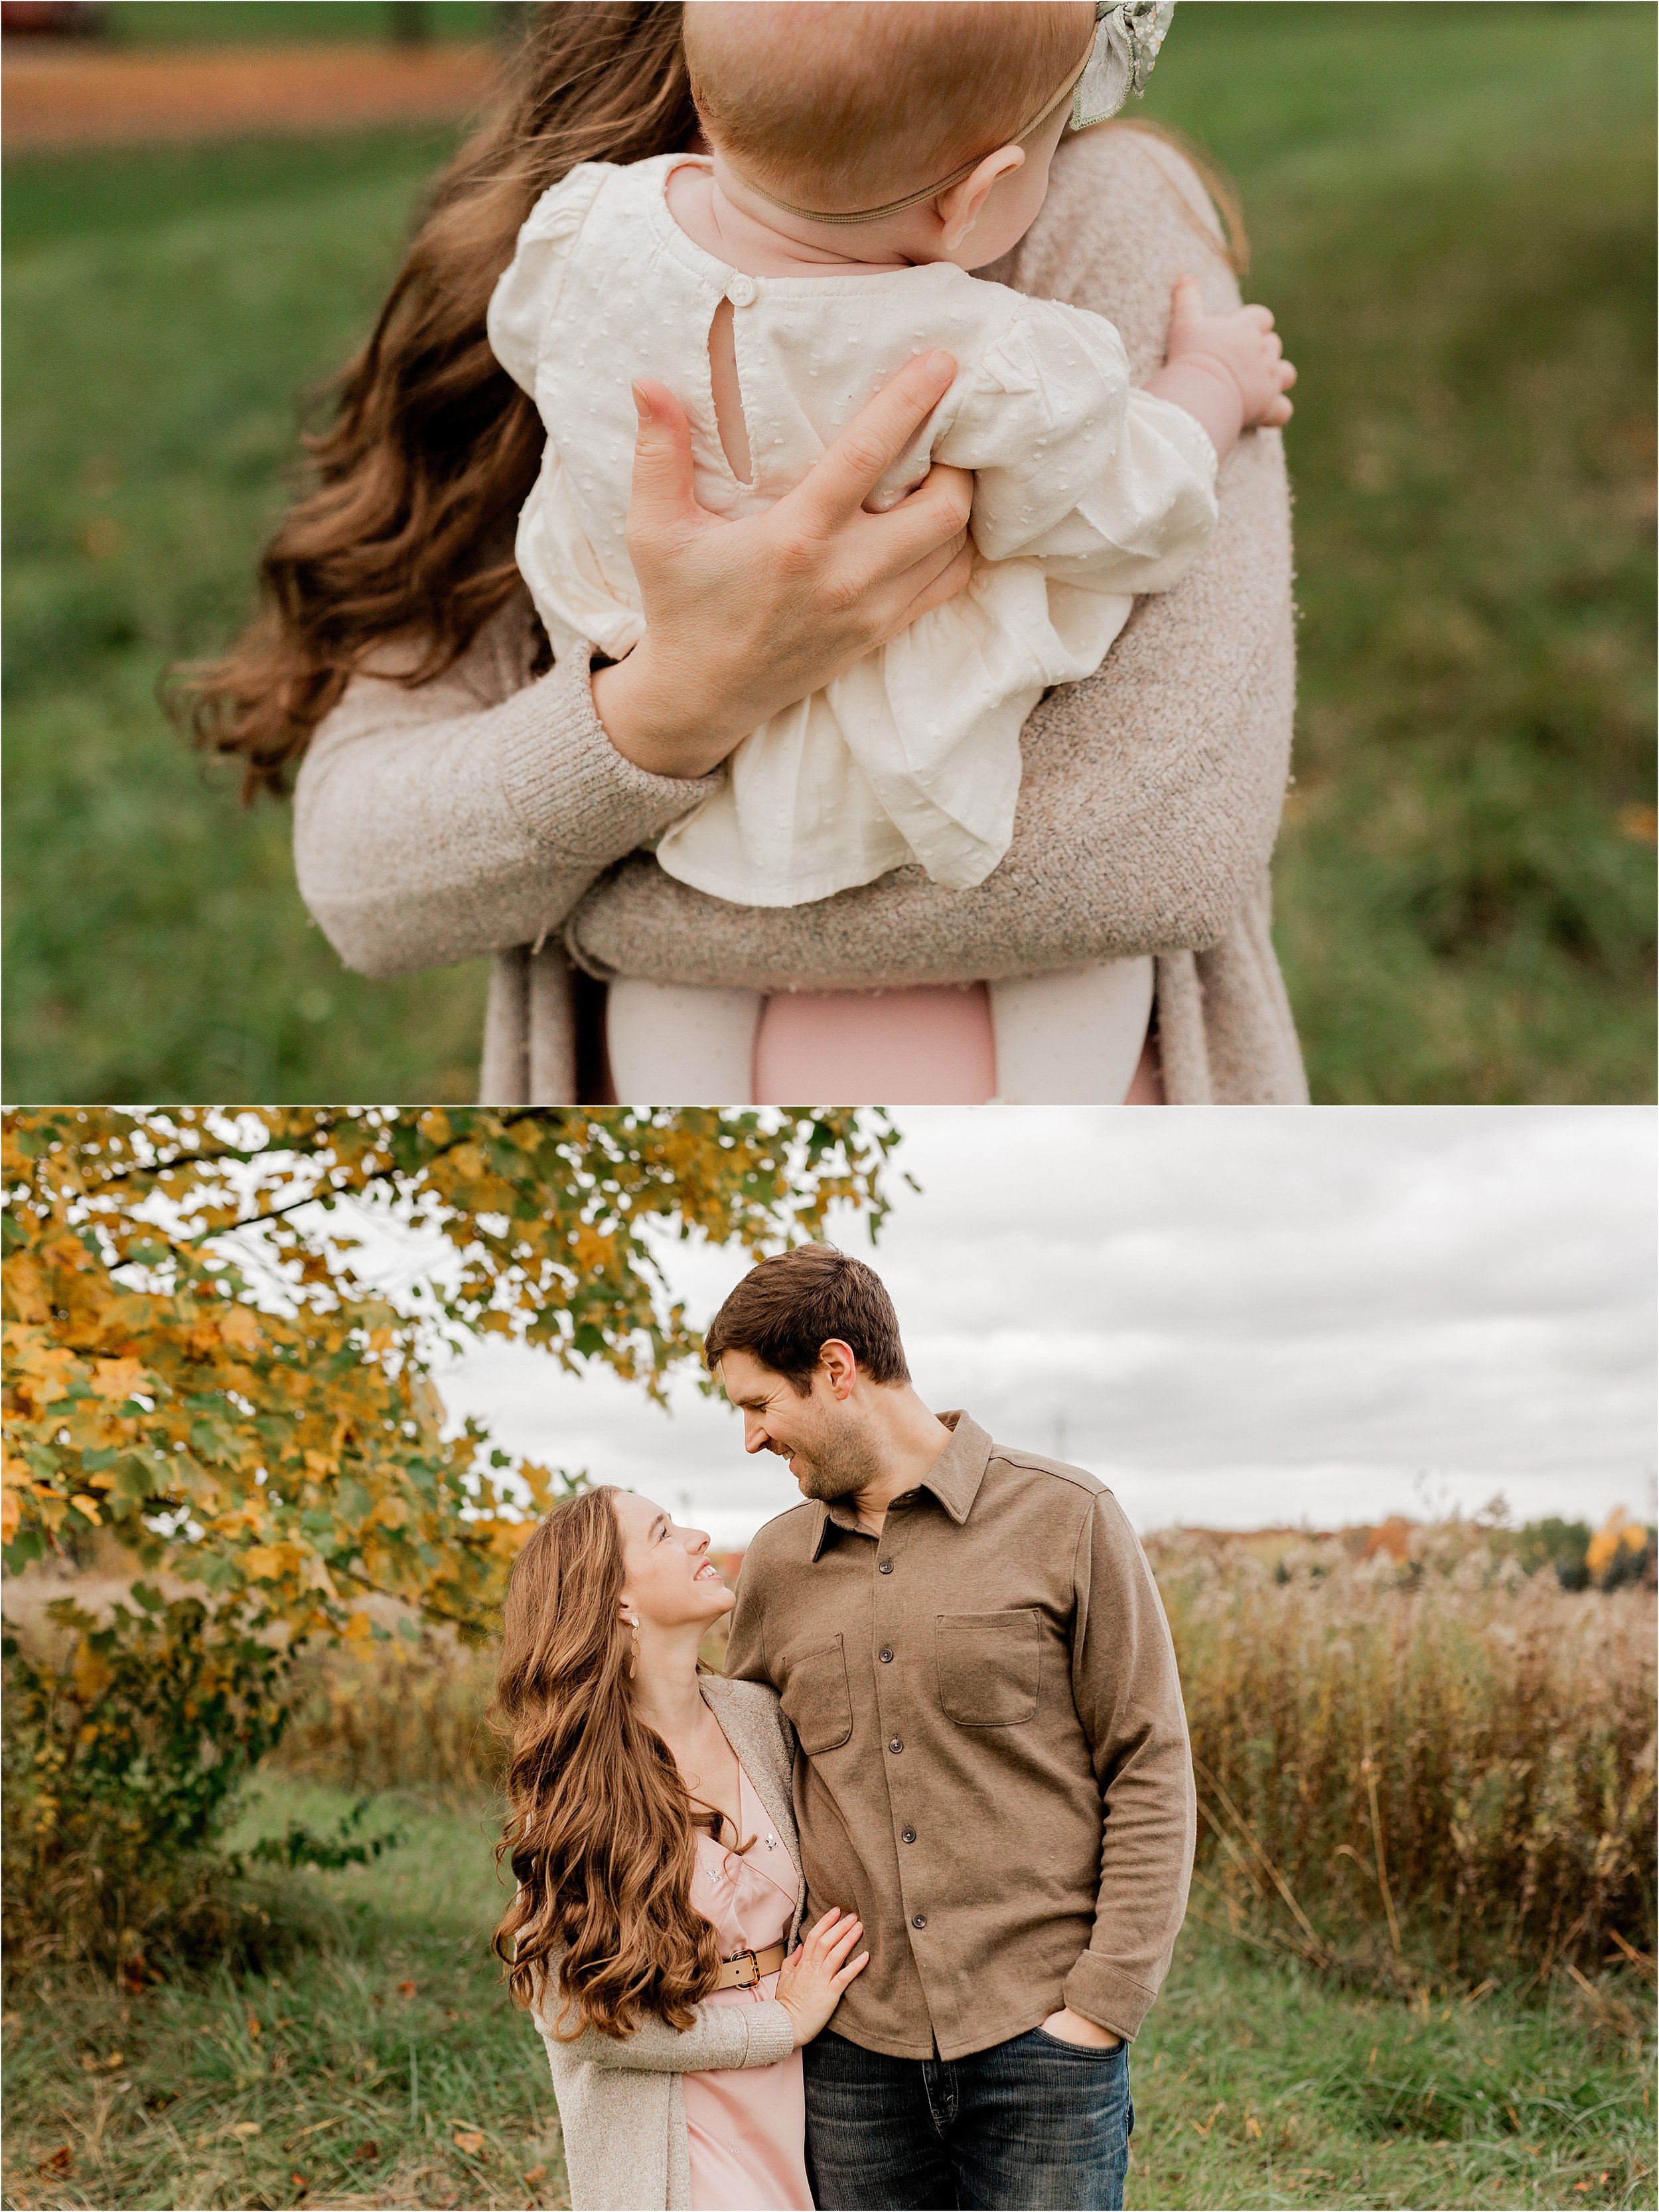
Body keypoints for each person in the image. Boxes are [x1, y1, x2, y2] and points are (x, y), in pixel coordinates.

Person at [184, 1, 1305, 1106]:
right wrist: (675, 704)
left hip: (1013, 1181)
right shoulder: (995, 357)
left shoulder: (589, 233)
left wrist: (590, 881)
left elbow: (1158, 858)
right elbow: (1141, 482)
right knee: (1078, 988)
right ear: (979, 195)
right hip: (918, 790)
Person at [709, 1243, 1196, 2211]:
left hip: (1043, 2043)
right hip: (852, 2057)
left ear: (838, 1368)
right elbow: (741, 1788)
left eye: (760, 1404)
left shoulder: (1068, 1516)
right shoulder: (773, 1565)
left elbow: (1150, 1765)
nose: (753, 1439)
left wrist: (1101, 2005)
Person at [492, 1482, 869, 2211]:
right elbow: (572, 2017)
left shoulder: (757, 1717)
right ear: (618, 1602)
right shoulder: (578, 1775)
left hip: (797, 2099)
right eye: (664, 1533)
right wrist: (778, 2024)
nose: (699, 1537)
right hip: (673, 2117)